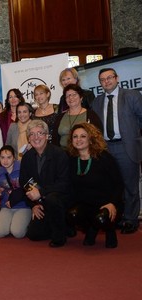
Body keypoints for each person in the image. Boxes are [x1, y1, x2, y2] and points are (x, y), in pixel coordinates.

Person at [92, 67, 142, 234]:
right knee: (112, 186)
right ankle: (118, 217)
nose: (106, 81)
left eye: (109, 78)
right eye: (102, 80)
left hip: (126, 146)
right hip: (105, 148)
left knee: (130, 185)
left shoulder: (132, 96)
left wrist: (135, 138)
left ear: (117, 78)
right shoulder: (97, 101)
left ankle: (131, 220)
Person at [67, 123, 122, 247]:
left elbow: (119, 184)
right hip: (86, 204)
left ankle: (109, 228)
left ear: (90, 139)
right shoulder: (71, 159)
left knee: (102, 220)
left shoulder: (104, 157)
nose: (78, 140)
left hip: (106, 204)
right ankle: (92, 227)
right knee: (72, 215)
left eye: (83, 136)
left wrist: (113, 203)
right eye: (75, 137)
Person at [19, 120, 72, 247]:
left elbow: (64, 183)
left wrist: (41, 192)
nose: (36, 137)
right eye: (32, 134)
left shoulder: (59, 154)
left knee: (52, 199)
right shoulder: (27, 157)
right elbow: (23, 182)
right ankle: (62, 225)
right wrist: (33, 205)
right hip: (40, 203)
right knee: (34, 235)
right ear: (28, 138)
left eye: (40, 133)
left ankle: (60, 235)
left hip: (60, 199)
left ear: (47, 136)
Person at [0, 145, 31, 238]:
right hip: (6, 206)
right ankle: (12, 222)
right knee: (0, 232)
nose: (5, 161)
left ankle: (27, 223)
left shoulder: (22, 168)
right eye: (2, 157)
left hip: (23, 206)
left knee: (17, 233)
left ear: (14, 158)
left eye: (9, 157)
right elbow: (0, 192)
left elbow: (29, 187)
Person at [52, 84, 103, 148]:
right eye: (68, 96)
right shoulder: (60, 117)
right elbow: (55, 139)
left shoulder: (91, 115)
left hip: (84, 154)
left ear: (81, 97)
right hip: (63, 155)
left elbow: (98, 137)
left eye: (74, 94)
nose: (71, 98)